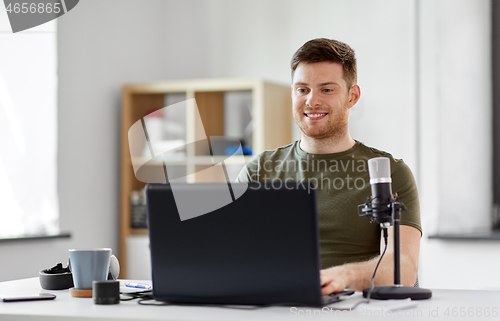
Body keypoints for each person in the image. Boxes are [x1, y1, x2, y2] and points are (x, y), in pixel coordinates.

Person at [236, 38, 421, 295]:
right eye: (302, 90)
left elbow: (403, 266)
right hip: (278, 305)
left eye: (326, 90)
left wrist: (342, 276)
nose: (311, 101)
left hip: (354, 307)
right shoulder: (259, 171)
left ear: (352, 96)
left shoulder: (389, 172)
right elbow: (236, 254)